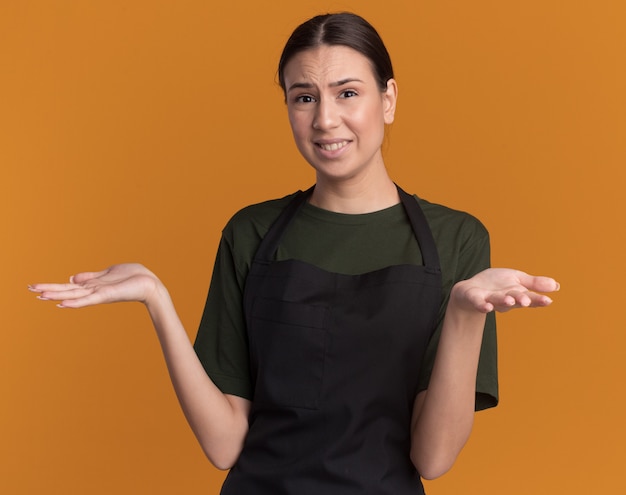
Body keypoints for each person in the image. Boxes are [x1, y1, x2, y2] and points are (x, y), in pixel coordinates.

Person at [28, 12, 559, 495]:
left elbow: (434, 457)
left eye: (348, 93)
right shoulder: (252, 232)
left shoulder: (457, 240)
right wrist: (156, 299)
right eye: (303, 97)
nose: (325, 119)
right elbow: (224, 446)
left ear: (389, 99)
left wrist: (466, 315)